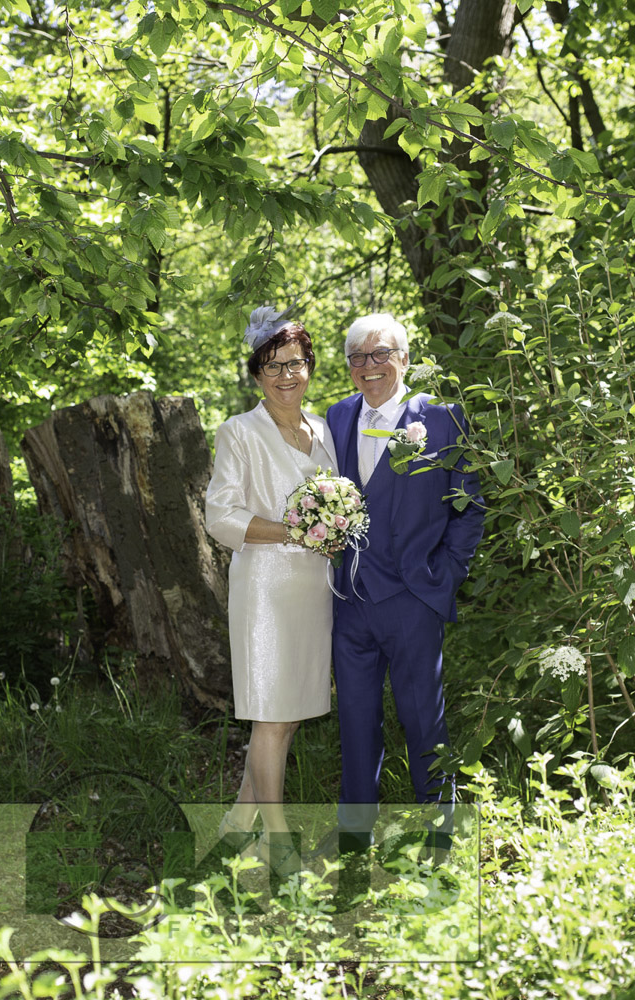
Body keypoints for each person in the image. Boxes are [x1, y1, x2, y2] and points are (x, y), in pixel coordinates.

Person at [325, 312, 485, 855]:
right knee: (355, 723)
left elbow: (469, 506)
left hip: (414, 599)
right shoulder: (337, 416)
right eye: (357, 357)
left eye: (380, 354)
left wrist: (446, 574)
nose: (369, 366)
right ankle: (354, 841)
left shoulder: (442, 418)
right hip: (350, 601)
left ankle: (440, 838)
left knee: (423, 721)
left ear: (404, 359)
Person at [204, 307, 339, 875]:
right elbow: (220, 516)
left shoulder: (325, 430)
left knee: (289, 713)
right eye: (273, 366)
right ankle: (278, 845)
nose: (286, 375)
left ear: (310, 367)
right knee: (272, 716)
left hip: (315, 589)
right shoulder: (239, 432)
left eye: (295, 363)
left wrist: (335, 530)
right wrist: (294, 531)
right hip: (265, 588)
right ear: (257, 374)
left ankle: (237, 826)